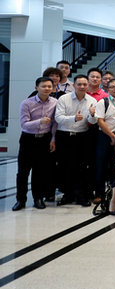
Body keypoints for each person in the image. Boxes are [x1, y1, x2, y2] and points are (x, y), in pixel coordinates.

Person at [14, 77, 58, 211]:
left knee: (40, 171)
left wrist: (53, 139)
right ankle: (20, 200)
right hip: (28, 139)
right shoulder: (27, 103)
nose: (47, 89)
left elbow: (55, 123)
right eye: (43, 86)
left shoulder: (55, 102)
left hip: (45, 139)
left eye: (49, 86)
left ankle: (38, 198)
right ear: (36, 88)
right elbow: (24, 124)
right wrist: (40, 121)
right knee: (23, 171)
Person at [54, 75, 97, 206]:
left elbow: (92, 122)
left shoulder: (92, 100)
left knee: (81, 167)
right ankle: (67, 195)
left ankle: (81, 195)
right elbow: (58, 117)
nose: (82, 87)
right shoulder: (64, 98)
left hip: (82, 137)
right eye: (79, 84)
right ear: (74, 85)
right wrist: (73, 118)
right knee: (65, 166)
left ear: (88, 85)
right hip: (64, 136)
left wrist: (93, 114)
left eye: (85, 84)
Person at [93, 78, 115, 204]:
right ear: (107, 89)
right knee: (101, 165)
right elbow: (100, 121)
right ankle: (99, 194)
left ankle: (114, 194)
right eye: (112, 87)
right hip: (105, 136)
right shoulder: (103, 102)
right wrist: (112, 136)